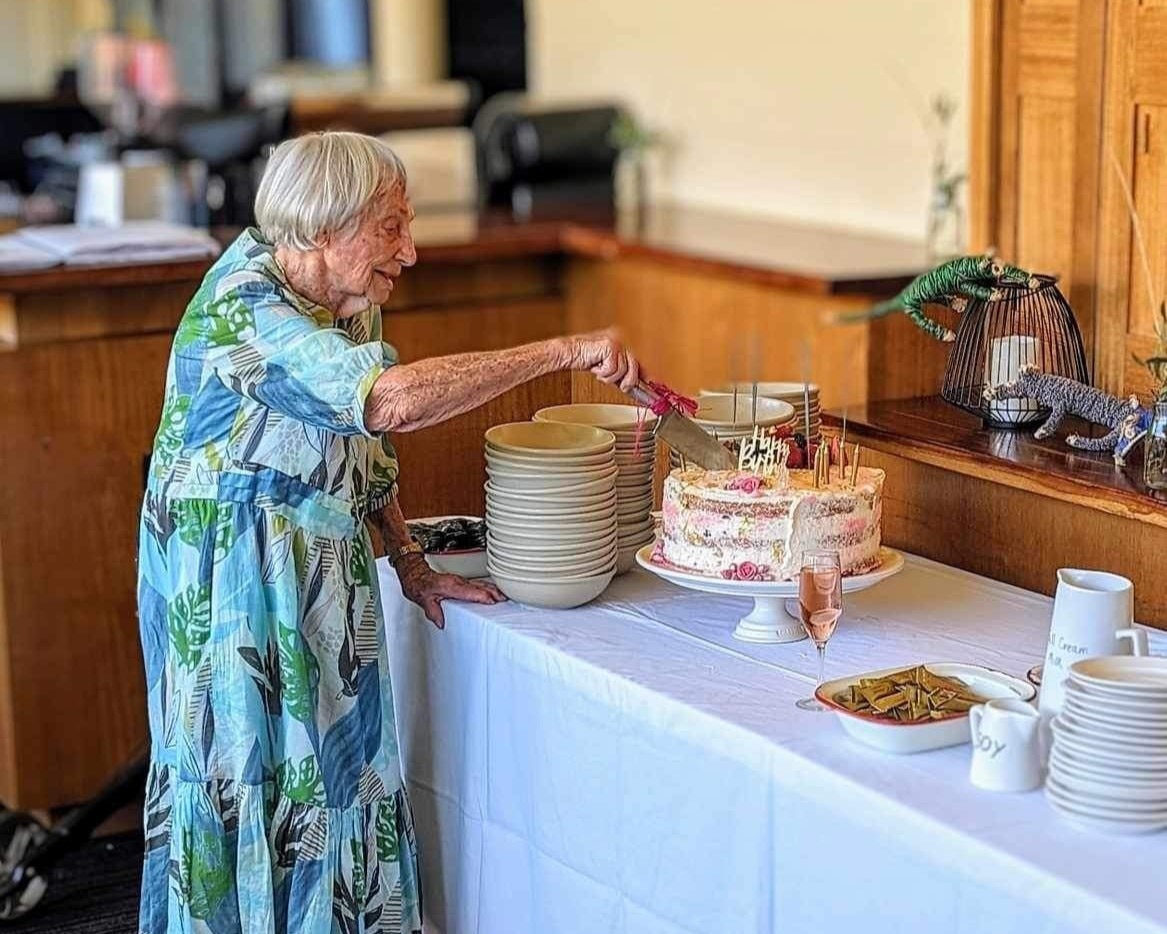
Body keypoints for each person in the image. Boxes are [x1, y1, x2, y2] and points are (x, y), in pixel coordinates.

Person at [136, 131, 640, 933]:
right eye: (389, 227)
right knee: (253, 779)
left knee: (341, 784)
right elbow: (385, 404)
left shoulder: (344, 304)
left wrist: (409, 558)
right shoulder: (243, 308)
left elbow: (363, 452)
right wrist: (564, 349)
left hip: (317, 570)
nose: (409, 251)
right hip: (234, 588)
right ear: (323, 226)